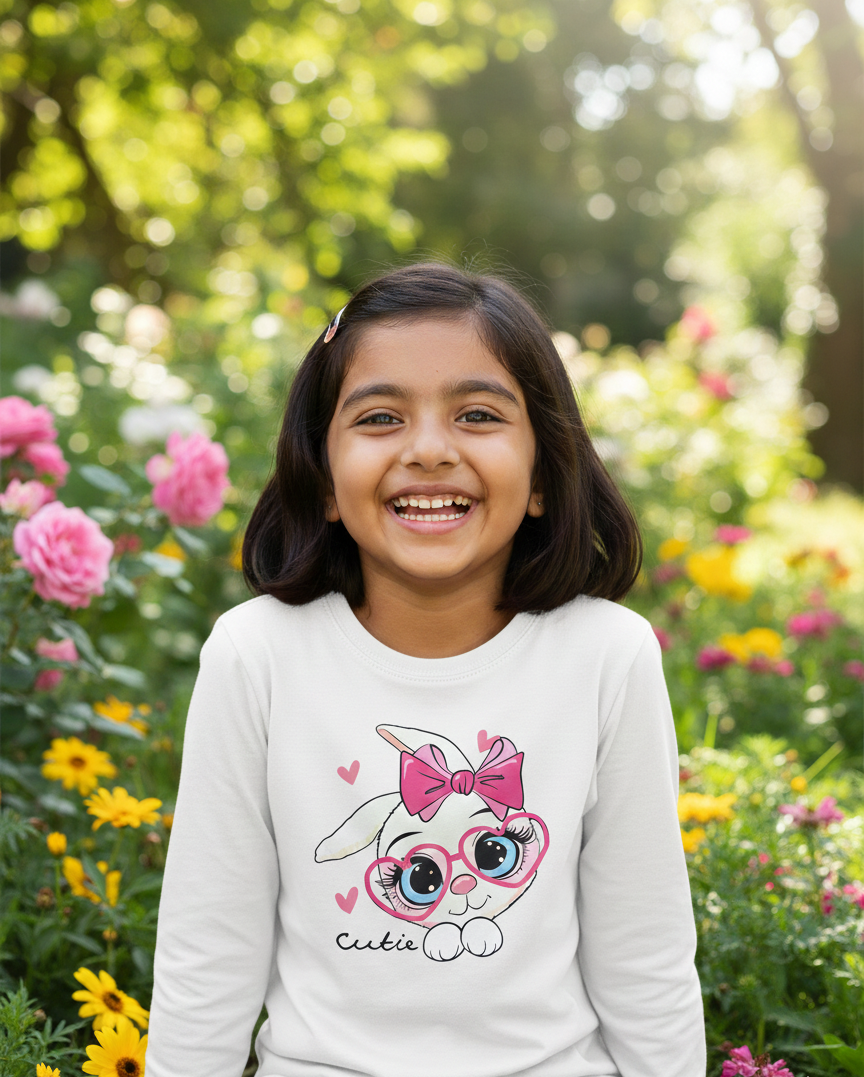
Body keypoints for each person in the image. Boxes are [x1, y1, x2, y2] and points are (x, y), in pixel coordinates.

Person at [147, 262, 706, 1077]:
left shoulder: (606, 655)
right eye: (380, 417)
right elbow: (208, 954)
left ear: (544, 474)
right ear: (324, 478)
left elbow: (645, 954)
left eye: (478, 414)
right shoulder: (256, 655)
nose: (431, 450)